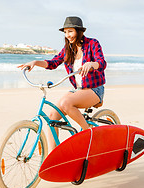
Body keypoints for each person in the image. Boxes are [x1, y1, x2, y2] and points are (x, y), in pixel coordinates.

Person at [18, 16, 107, 153]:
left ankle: (88, 132)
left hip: (94, 89)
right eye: (65, 32)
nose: (67, 35)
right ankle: (53, 155)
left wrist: (91, 64)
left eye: (70, 31)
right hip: (78, 90)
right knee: (53, 116)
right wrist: (35, 62)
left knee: (66, 102)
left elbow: (102, 63)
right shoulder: (68, 49)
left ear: (78, 31)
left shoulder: (92, 43)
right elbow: (53, 63)